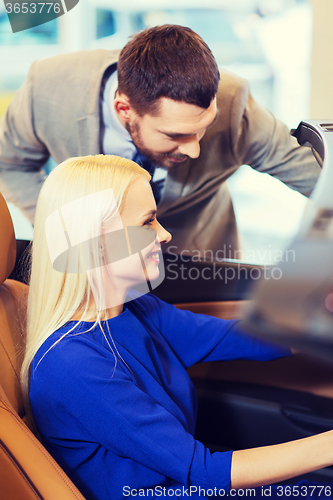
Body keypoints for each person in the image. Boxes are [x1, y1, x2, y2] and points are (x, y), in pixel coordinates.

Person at [21, 154, 333, 500]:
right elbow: (204, 472)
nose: (165, 235)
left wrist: (320, 316)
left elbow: (235, 338)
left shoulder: (135, 308)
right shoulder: (72, 364)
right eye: (147, 223)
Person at [0, 25, 320, 257]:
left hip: (197, 260)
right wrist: (68, 224)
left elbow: (318, 179)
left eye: (203, 127)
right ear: (124, 109)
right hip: (87, 268)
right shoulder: (47, 88)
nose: (194, 149)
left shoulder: (235, 105)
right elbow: (9, 164)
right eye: (175, 135)